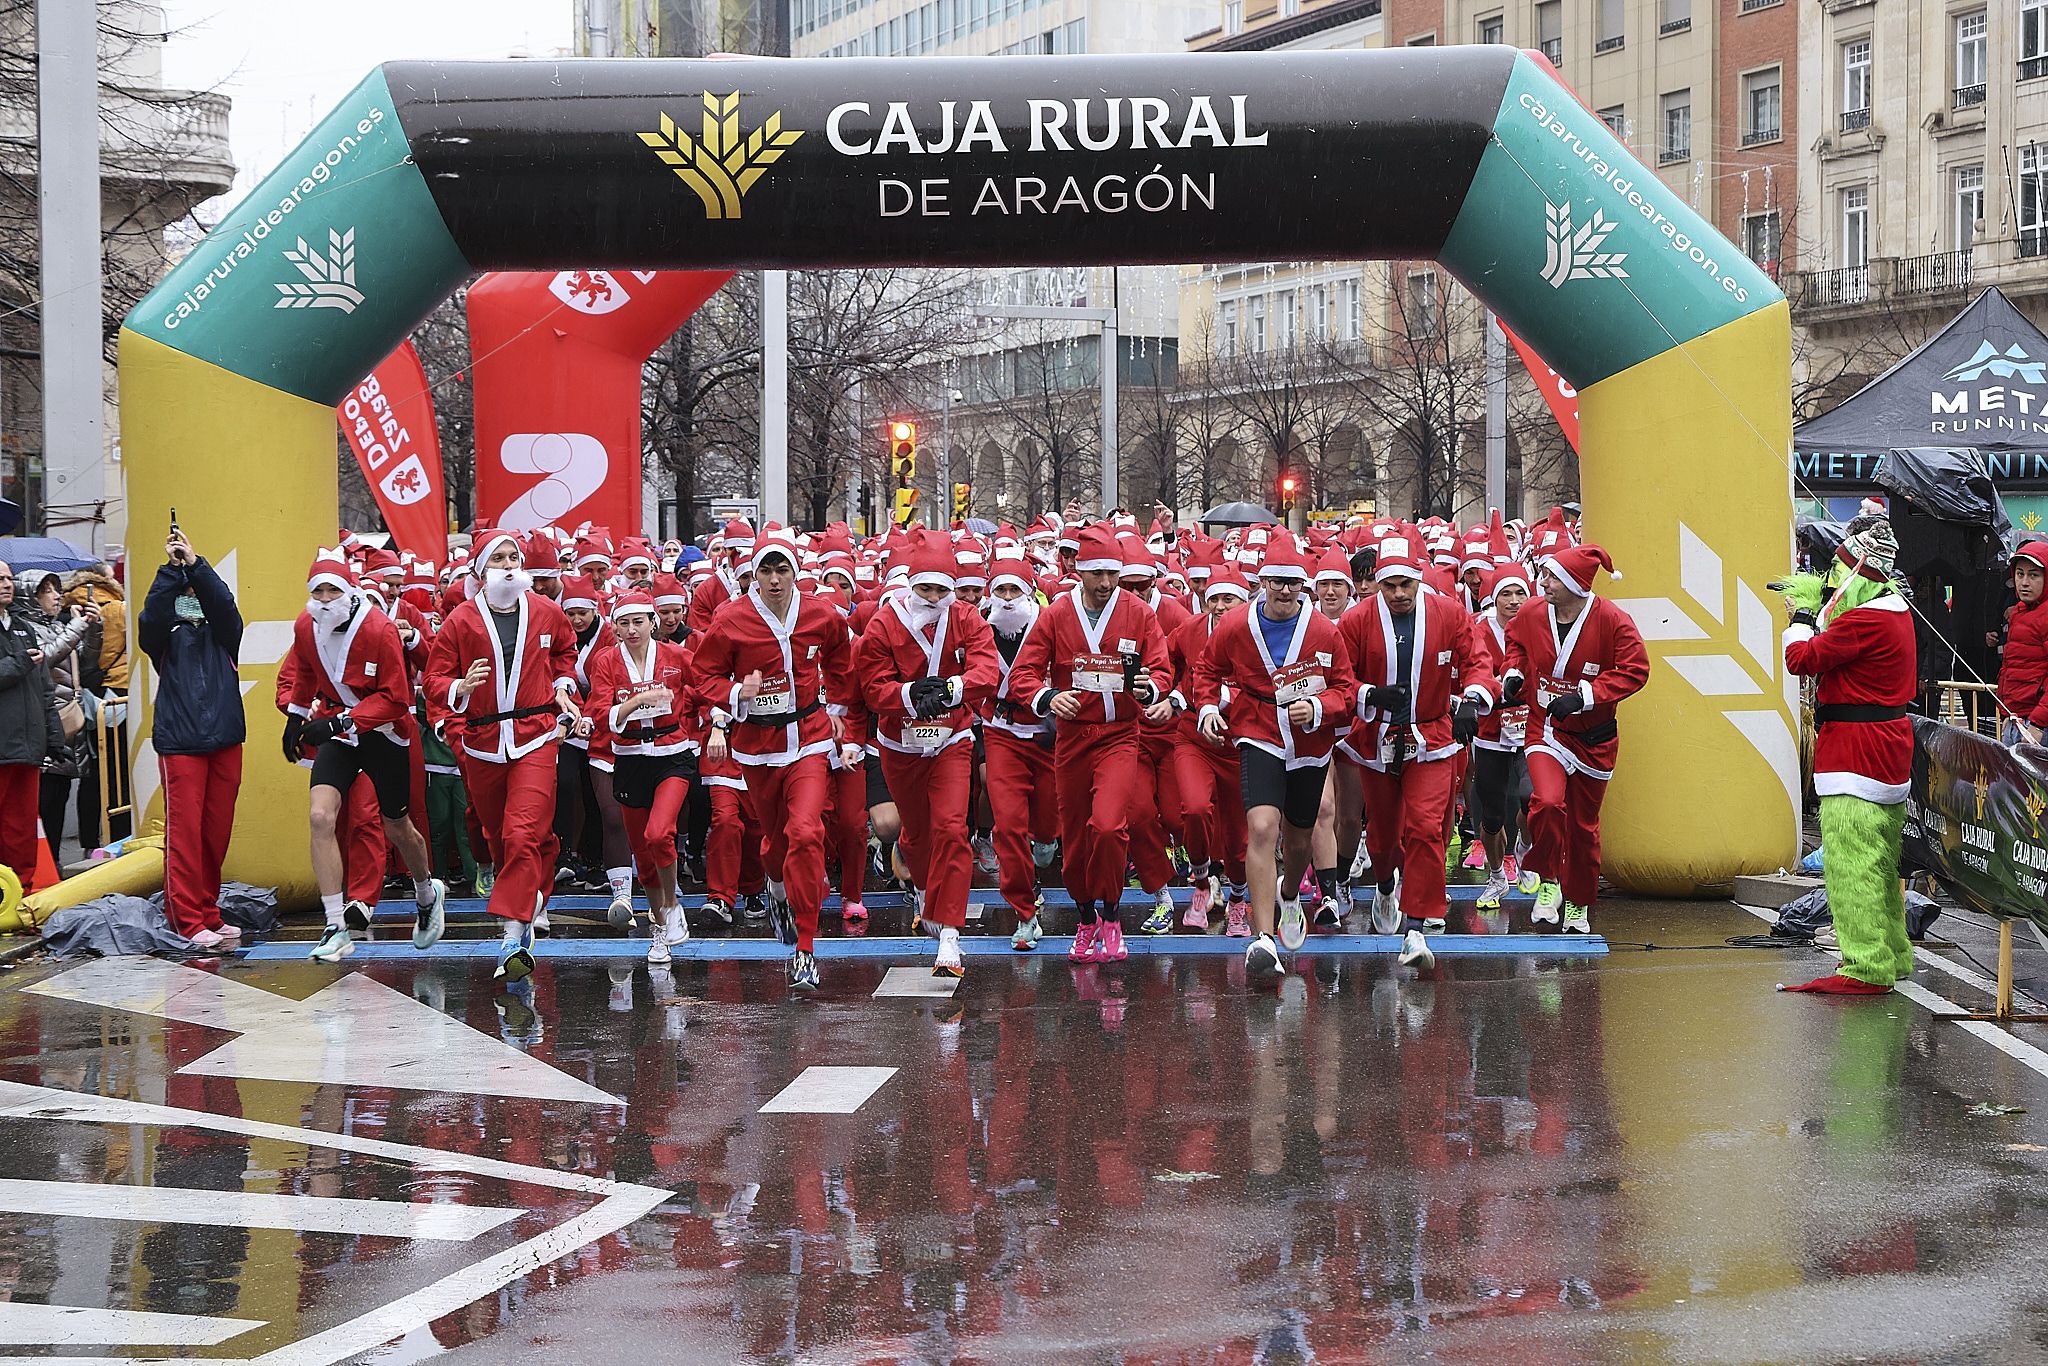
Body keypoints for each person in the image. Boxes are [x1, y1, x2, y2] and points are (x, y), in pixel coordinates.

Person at [689, 529, 858, 991]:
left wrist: (838, 710)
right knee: (774, 841)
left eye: (783, 569)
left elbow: (842, 658)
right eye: (766, 570)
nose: (775, 579)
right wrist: (732, 694)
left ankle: (805, 947)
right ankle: (777, 889)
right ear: (754, 576)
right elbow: (702, 674)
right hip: (757, 746)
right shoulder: (731, 620)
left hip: (808, 737)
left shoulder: (820, 614)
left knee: (805, 832)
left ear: (795, 573)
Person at [1191, 537, 1356, 985]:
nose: (1286, 591)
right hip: (1258, 730)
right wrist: (1208, 707)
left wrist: (1319, 708)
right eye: (1278, 582)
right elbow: (1206, 668)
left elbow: (1346, 689)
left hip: (1309, 741)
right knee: (1262, 827)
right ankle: (1263, 940)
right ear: (1262, 582)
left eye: (1295, 584)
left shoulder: (1324, 630)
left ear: (1306, 586)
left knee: (1299, 839)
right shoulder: (1237, 625)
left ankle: (1289, 894)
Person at [1009, 523, 1173, 963]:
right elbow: (1022, 673)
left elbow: (1161, 668)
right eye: (1096, 573)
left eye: (1112, 574)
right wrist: (1047, 696)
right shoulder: (1057, 614)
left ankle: (1113, 911)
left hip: (1119, 735)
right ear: (1078, 571)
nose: (1105, 583)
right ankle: (1085, 917)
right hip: (1073, 739)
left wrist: (1149, 689)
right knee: (1078, 835)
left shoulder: (1138, 613)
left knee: (1107, 825)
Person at [424, 530, 582, 982]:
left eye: (515, 556)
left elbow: (565, 656)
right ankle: (533, 891)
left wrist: (564, 688)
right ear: (481, 570)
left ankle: (513, 935)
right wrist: (460, 688)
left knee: (520, 832)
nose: (510, 564)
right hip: (482, 742)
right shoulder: (461, 621)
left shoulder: (548, 611)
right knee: (499, 834)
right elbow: (435, 680)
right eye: (500, 558)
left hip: (535, 736)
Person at [284, 548, 447, 964]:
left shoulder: (378, 629)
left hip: (385, 734)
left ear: (348, 590)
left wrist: (341, 723)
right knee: (320, 816)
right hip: (340, 733)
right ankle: (336, 925)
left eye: (331, 590)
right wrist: (295, 717)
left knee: (397, 825)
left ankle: (427, 892)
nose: (323, 599)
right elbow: (303, 670)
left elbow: (395, 698)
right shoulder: (307, 624)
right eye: (316, 591)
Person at [1335, 535, 1492, 966]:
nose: (1400, 594)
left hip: (1433, 737)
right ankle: (1385, 884)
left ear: (1418, 579)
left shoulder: (1449, 613)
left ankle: (1417, 927)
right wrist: (1371, 694)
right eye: (1390, 586)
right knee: (1384, 838)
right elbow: (1340, 677)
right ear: (1377, 584)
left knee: (1424, 829)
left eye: (1406, 584)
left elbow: (1477, 659)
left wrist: (1473, 700)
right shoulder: (1356, 620)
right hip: (1376, 740)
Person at [1777, 520, 1918, 995]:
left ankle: (1864, 966)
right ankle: (1892, 954)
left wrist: (1799, 617)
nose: (1831, 581)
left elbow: (1801, 658)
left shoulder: (1866, 619)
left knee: (1850, 865)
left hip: (1857, 753)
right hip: (1886, 747)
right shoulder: (1895, 610)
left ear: (1861, 570)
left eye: (1837, 570)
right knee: (1881, 866)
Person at [853, 536, 1000, 978]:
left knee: (953, 828)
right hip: (900, 746)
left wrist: (954, 689)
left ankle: (951, 938)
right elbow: (871, 687)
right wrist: (909, 694)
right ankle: (920, 886)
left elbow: (987, 668)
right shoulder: (884, 624)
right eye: (926, 590)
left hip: (952, 740)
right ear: (910, 586)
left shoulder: (967, 616)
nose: (935, 599)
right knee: (916, 835)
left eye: (942, 590)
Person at [1499, 541, 1649, 935]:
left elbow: (1637, 670)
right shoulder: (1533, 612)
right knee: (1546, 802)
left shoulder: (1614, 621)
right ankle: (1548, 881)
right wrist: (1514, 673)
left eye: (1551, 577)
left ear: (1575, 584)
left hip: (1595, 739)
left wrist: (1585, 696)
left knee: (1583, 827)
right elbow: (1514, 642)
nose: (1542, 583)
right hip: (1546, 729)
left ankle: (1579, 901)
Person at [138, 529, 245, 947]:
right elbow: (149, 619)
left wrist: (196, 564)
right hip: (181, 741)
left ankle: (209, 913)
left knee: (215, 833)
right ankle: (186, 918)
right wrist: (170, 569)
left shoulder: (224, 633)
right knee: (183, 834)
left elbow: (226, 607)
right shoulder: (164, 637)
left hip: (225, 737)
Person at [588, 591, 695, 963]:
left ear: (653, 622)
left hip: (672, 757)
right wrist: (633, 703)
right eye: (624, 622)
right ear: (615, 627)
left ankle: (673, 906)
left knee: (658, 833)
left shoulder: (676, 656)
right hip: (629, 759)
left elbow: (706, 689)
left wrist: (716, 723)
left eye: (639, 621)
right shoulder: (605, 662)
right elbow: (601, 712)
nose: (632, 629)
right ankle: (661, 928)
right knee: (643, 856)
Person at [979, 554, 1062, 949]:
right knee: (1008, 824)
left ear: (1029, 593)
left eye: (1015, 590)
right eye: (1001, 590)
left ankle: (1046, 841)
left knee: (1045, 824)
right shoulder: (979, 625)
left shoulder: (1047, 623)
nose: (1008, 599)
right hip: (1001, 733)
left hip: (1045, 734)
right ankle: (1025, 913)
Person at [1167, 568, 1253, 935]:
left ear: (1243, 601)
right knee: (1194, 808)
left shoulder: (1257, 633)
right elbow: (1164, 659)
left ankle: (1237, 898)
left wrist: (1227, 699)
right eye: (1214, 598)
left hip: (1240, 742)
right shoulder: (1189, 629)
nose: (1219, 606)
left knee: (1237, 836)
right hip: (1193, 737)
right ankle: (1201, 882)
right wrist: (1164, 693)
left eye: (1228, 599)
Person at [1469, 563, 1534, 909]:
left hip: (1530, 730)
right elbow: (1469, 672)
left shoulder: (1540, 625)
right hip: (1490, 732)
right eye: (1505, 594)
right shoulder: (1478, 630)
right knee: (1492, 815)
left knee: (1533, 800)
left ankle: (1524, 846)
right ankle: (1497, 877)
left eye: (1519, 592)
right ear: (1494, 599)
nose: (1513, 601)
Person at [26, 572, 99, 867]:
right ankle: (45, 865)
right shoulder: (26, 629)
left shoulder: (58, 625)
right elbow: (47, 657)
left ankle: (53, 863)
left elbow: (87, 661)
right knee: (45, 800)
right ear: (30, 597)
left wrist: (94, 628)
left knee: (59, 796)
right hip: (45, 726)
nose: (57, 596)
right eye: (47, 591)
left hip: (68, 724)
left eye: (57, 589)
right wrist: (77, 626)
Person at [0, 560, 63, 891]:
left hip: (28, 747)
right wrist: (21, 661)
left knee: (22, 829)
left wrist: (55, 738)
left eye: (9, 578)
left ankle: (22, 895)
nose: (6, 584)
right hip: (2, 746)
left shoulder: (24, 626)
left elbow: (44, 690)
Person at [1995, 541, 2048, 746]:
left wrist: (2037, 725)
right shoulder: (2018, 611)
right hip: (2015, 720)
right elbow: (2010, 667)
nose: (2024, 582)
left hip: (2038, 728)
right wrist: (2006, 711)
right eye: (2020, 574)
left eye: (2033, 575)